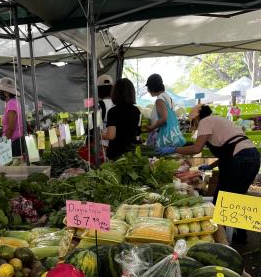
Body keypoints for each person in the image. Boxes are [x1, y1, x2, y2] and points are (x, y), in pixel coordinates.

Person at [158, 104, 261, 242]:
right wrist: (210, 166)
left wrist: (174, 149)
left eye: (193, 122)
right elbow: (229, 151)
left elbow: (196, 148)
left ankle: (222, 235)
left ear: (196, 118)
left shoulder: (205, 121)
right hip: (251, 157)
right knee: (236, 196)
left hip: (241, 159)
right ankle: (238, 236)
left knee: (227, 197)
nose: (194, 125)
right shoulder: (217, 121)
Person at [101, 78, 141, 160]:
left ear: (115, 93)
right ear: (131, 93)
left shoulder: (113, 111)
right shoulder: (136, 110)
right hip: (131, 153)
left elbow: (111, 136)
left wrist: (99, 135)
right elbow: (137, 132)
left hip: (116, 153)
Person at [145, 73, 185, 148]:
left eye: (148, 87)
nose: (148, 90)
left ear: (152, 87)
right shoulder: (167, 97)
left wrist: (152, 127)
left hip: (162, 135)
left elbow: (164, 118)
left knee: (158, 155)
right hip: (172, 134)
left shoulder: (159, 99)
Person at [0, 77, 24, 157]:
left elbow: (11, 128)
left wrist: (4, 144)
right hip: (15, 141)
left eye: (0, 91)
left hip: (14, 143)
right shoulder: (13, 102)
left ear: (6, 93)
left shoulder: (11, 104)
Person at [97, 74, 114, 149]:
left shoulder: (99, 105)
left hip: (103, 144)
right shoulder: (117, 103)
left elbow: (96, 127)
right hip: (115, 143)